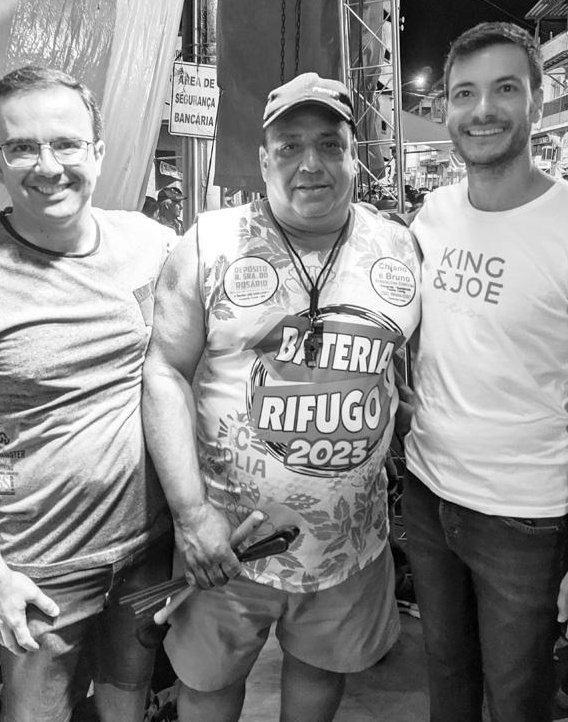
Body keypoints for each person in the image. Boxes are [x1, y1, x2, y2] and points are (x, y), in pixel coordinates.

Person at [142, 72, 421, 722]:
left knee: (320, 675)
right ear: (264, 159)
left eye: (329, 144)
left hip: (350, 542)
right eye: (290, 146)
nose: (310, 164)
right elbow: (164, 372)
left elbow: (401, 370)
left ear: (356, 154)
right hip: (228, 542)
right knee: (208, 686)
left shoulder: (400, 245)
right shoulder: (208, 244)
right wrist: (191, 515)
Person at [0, 65, 177, 722]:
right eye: (21, 147)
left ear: (98, 151)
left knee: (129, 698)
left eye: (65, 143)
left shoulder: (149, 245)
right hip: (37, 570)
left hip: (147, 548)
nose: (48, 166)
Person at [402, 22, 568, 722]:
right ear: (445, 108)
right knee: (445, 673)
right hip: (426, 490)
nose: (482, 110)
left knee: (517, 696)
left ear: (538, 99)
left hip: (524, 515)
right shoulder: (432, 214)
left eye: (504, 88)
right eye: (464, 93)